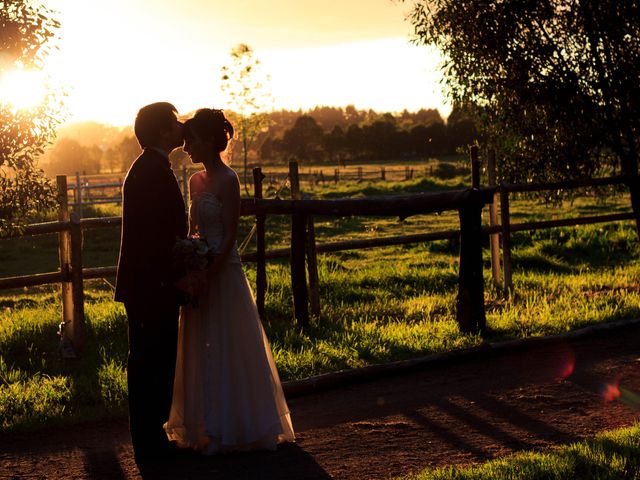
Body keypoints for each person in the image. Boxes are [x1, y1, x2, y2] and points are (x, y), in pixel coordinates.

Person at [164, 108, 295, 454]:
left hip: (223, 272)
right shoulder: (193, 181)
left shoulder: (229, 180)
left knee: (229, 346)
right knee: (201, 346)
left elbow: (230, 236)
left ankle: (237, 426)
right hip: (200, 270)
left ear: (208, 141)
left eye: (191, 140)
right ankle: (206, 425)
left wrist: (209, 271)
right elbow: (195, 231)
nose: (186, 146)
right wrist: (191, 260)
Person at [114, 102, 188, 463]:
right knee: (150, 361)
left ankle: (151, 438)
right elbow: (158, 236)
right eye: (174, 123)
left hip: (149, 284)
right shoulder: (151, 171)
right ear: (162, 131)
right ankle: (149, 443)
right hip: (151, 285)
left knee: (153, 360)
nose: (180, 128)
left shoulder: (151, 167)